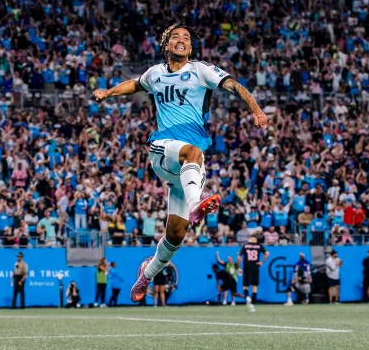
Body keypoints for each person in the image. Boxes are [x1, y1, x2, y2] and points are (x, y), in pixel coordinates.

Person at [93, 24, 268, 302]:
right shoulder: (156, 73)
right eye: (176, 36)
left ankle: (146, 275)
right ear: (166, 44)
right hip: (164, 149)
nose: (181, 40)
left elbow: (234, 85)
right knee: (192, 154)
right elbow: (135, 84)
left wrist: (256, 108)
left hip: (187, 165)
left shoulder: (201, 69)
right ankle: (195, 204)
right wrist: (107, 93)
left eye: (186, 37)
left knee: (176, 234)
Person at [237, 233, 268, 312]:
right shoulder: (259, 246)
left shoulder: (245, 245)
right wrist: (262, 262)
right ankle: (253, 304)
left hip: (247, 268)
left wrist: (239, 267)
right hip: (255, 268)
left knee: (245, 286)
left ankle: (247, 298)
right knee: (255, 286)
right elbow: (267, 253)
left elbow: (239, 257)